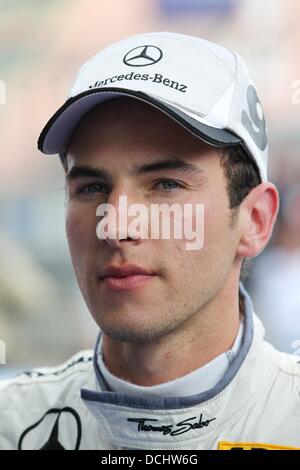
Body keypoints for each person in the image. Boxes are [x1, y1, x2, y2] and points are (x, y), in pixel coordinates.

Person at [0, 31, 299, 451]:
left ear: (254, 220)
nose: (117, 224)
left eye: (165, 184)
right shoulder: (11, 426)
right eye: (90, 187)